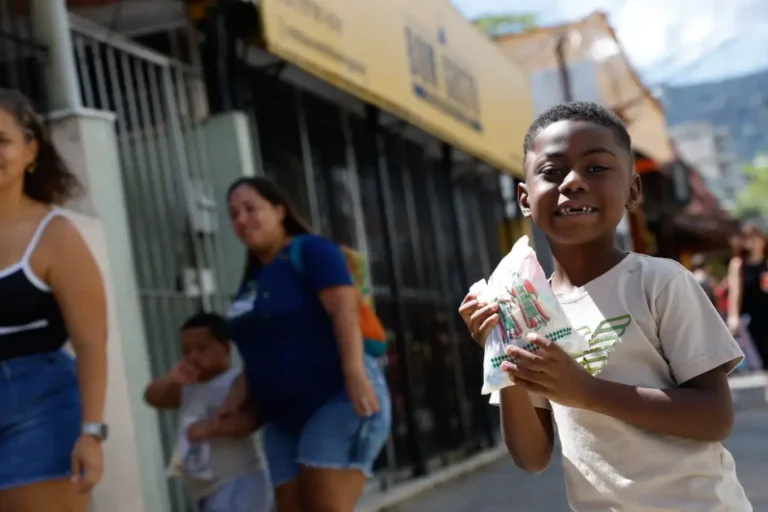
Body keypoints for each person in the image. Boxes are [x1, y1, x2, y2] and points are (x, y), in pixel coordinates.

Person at [459, 101, 750, 511]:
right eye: (552, 172)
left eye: (596, 168)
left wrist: (587, 391)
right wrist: (499, 346)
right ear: (525, 199)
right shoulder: (528, 311)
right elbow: (532, 456)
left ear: (632, 190)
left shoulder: (660, 282)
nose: (573, 182)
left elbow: (715, 416)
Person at [220, 177, 391, 512]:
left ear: (280, 210)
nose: (241, 219)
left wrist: (355, 373)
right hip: (281, 416)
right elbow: (263, 344)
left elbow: (344, 312)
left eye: (251, 208)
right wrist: (236, 394)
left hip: (337, 397)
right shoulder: (253, 279)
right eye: (233, 214)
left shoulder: (311, 251)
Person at [0, 89, 108, 511]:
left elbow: (90, 344)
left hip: (41, 409)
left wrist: (92, 432)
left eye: (1, 141)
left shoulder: (55, 234)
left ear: (31, 150)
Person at [143, 312, 271, 512]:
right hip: (205, 489)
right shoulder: (188, 386)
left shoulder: (235, 382)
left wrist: (210, 428)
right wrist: (172, 377)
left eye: (202, 349)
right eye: (186, 351)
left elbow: (251, 420)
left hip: (237, 481)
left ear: (226, 348)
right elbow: (152, 397)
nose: (194, 356)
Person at [727, 225, 768, 386]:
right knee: (761, 358)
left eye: (756, 238)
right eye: (749, 239)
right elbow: (735, 293)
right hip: (752, 319)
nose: (753, 242)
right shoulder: (738, 264)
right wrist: (733, 317)